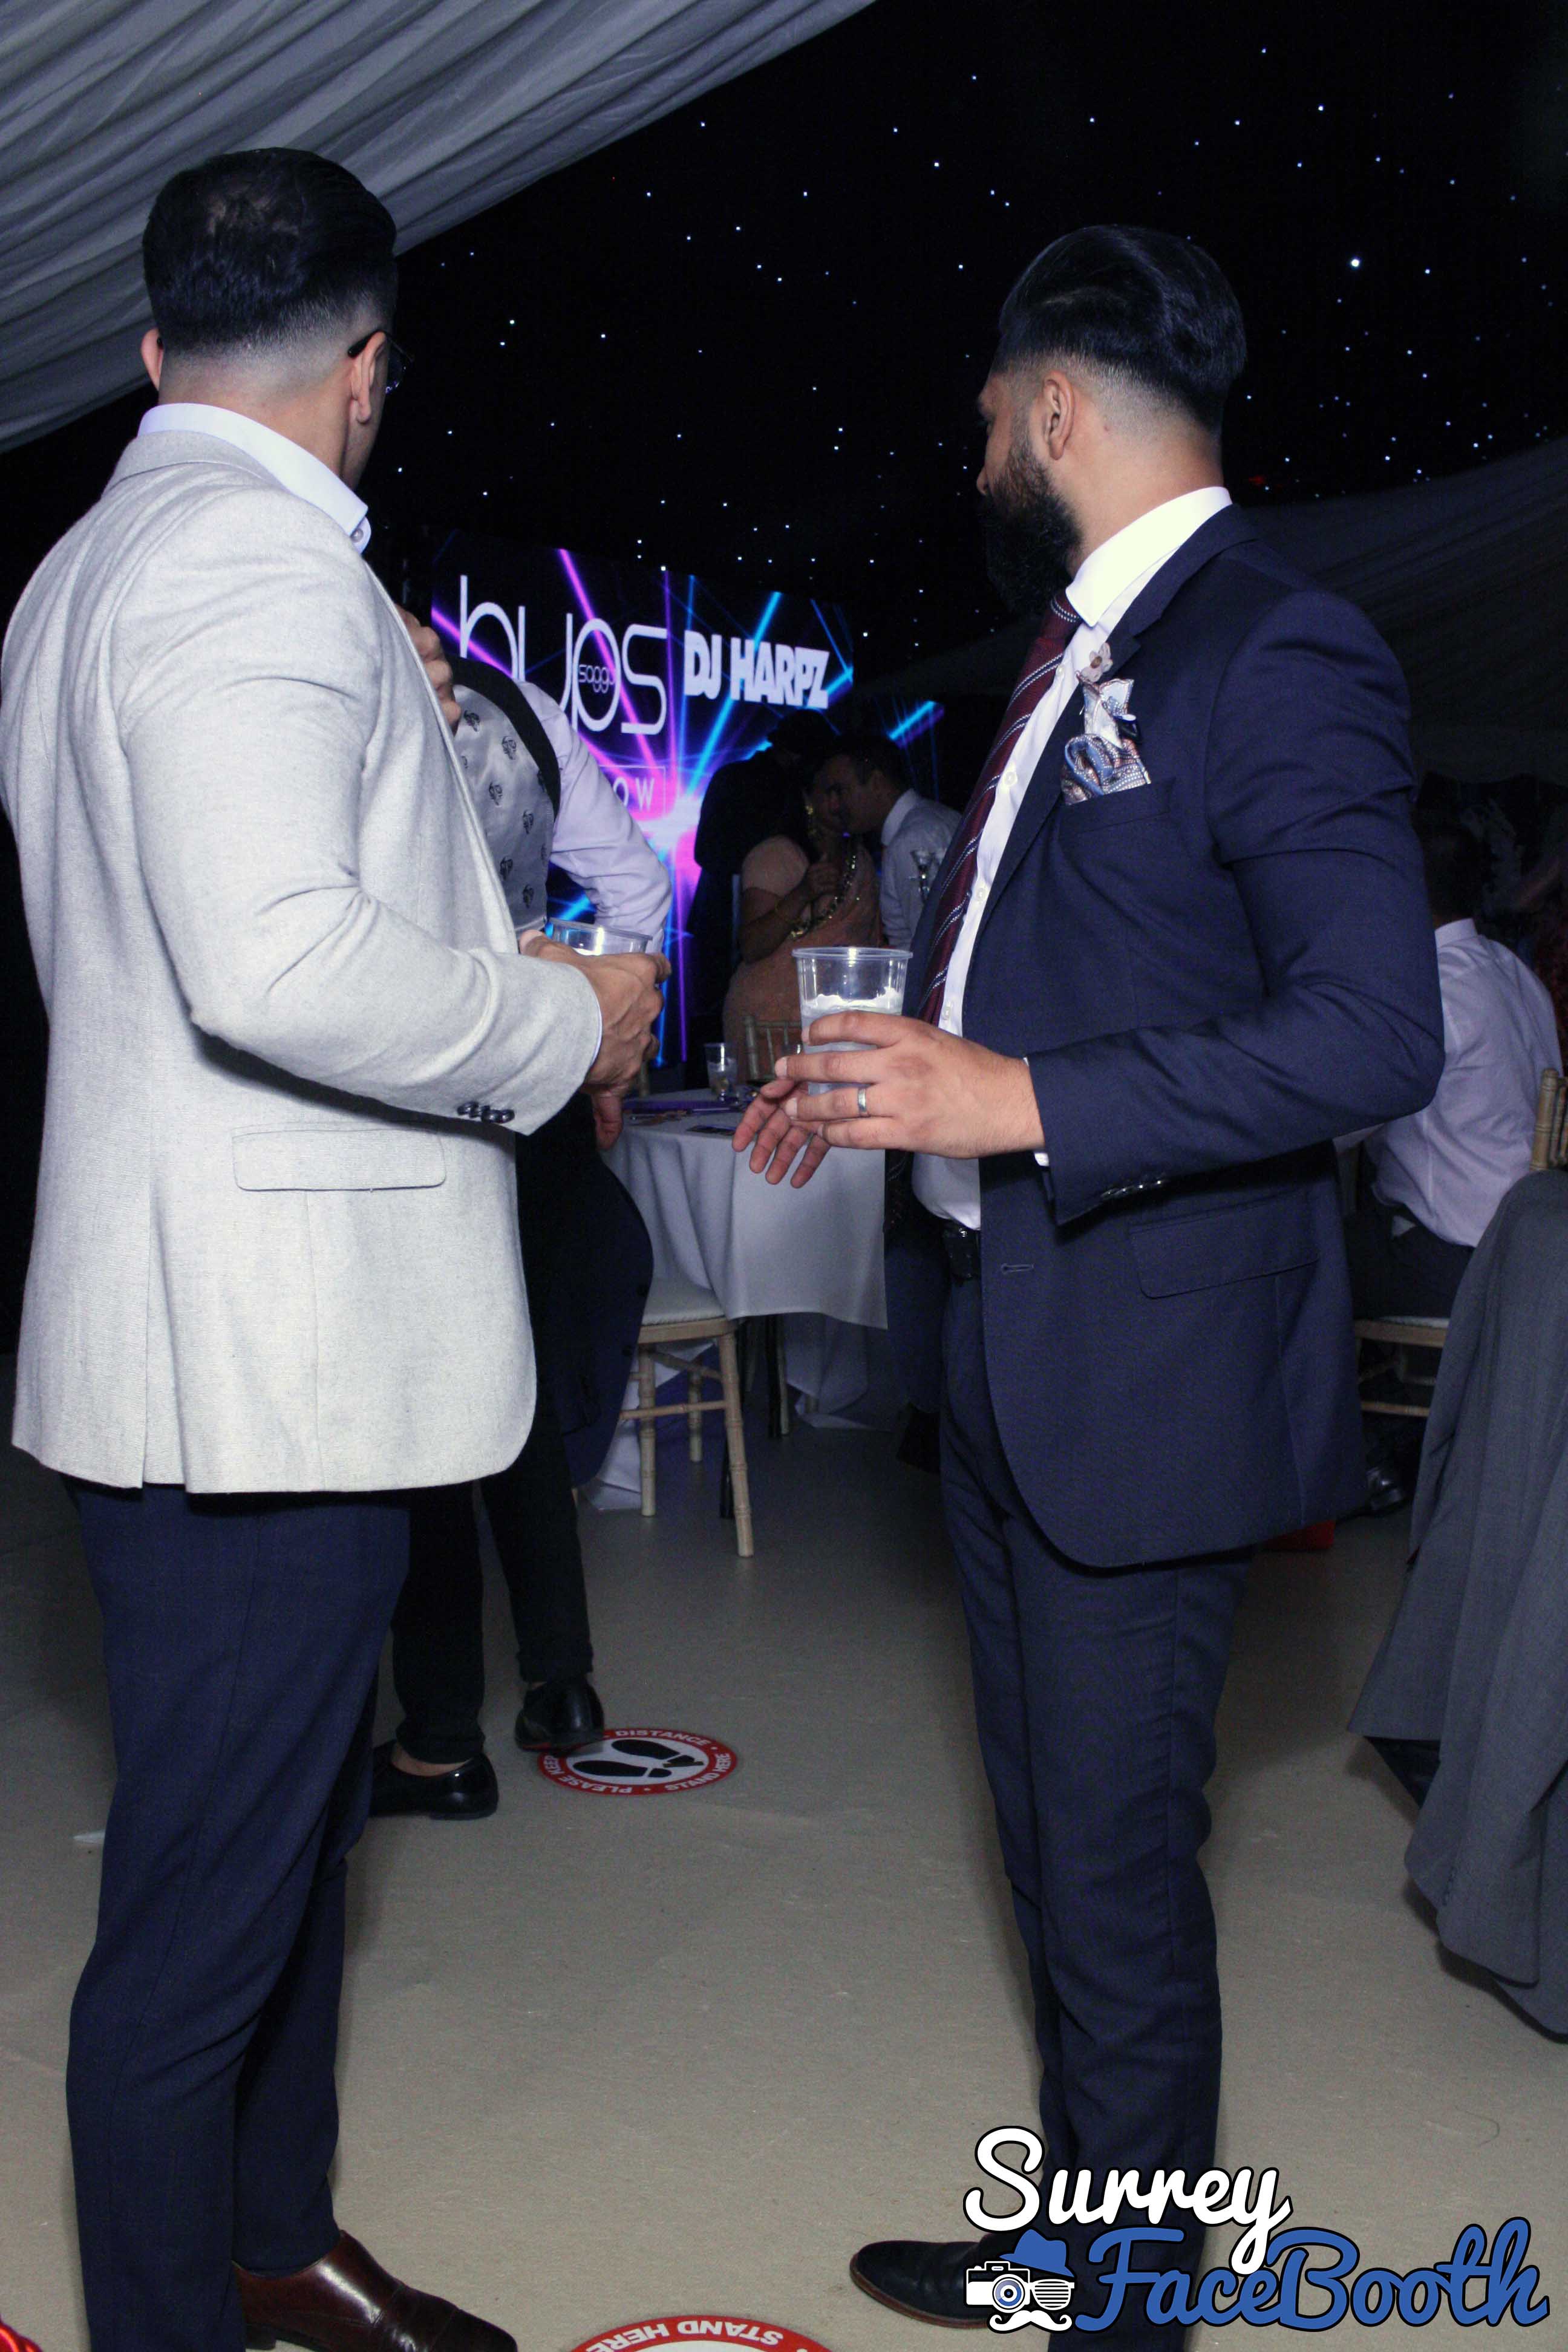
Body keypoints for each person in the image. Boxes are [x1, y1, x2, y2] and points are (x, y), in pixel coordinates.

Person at [734, 224, 1442, 2342]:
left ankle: (1133, 2309)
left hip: (1144, 1361)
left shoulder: (1274, 643)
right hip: (1011, 1328)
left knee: (1118, 1878)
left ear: (1053, 407)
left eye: (986, 414)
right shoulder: (1072, 653)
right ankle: (1080, 2234)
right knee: (1055, 1846)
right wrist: (895, 1086)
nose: (974, 450)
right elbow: (1071, 972)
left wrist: (1021, 1097)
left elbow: (1372, 1031)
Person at [0, 148, 663, 2352]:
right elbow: (272, 959)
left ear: (152, 343)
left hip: (237, 1339)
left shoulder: (94, 561)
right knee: (202, 1923)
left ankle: (275, 2240)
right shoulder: (252, 569)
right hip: (255, 1365)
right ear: (370, 367)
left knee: (282, 1849)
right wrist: (555, 1020)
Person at [373, 659, 671, 1819]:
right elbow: (638, 885)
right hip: (535, 1075)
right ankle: (562, 1683)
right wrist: (601, 1045)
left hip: (415, 1072)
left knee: (428, 1406)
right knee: (521, 1388)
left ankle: (441, 1736)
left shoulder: (355, 682)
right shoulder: (527, 704)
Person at [1345, 814, 1559, 1321]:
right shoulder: (1515, 972)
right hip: (1530, 1254)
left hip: (1453, 1265)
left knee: (1299, 1257)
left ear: (1402, 890)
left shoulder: (1426, 992)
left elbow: (1343, 1118)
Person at [686, 708, 838, 1050]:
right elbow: (708, 851)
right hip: (728, 914)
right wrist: (765, 862)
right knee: (720, 1017)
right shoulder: (762, 785)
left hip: (728, 915)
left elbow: (705, 851)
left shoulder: (734, 777)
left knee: (714, 1020)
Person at [721, 762, 883, 1076]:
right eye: (831, 792)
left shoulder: (861, 860)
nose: (839, 803)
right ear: (807, 798)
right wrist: (803, 892)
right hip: (770, 1023)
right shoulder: (775, 854)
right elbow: (752, 946)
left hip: (840, 1020)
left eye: (845, 792)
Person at [817, 731, 961, 949]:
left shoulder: (911, 840)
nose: (834, 805)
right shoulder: (934, 818)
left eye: (841, 791)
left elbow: (932, 946)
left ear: (876, 782)